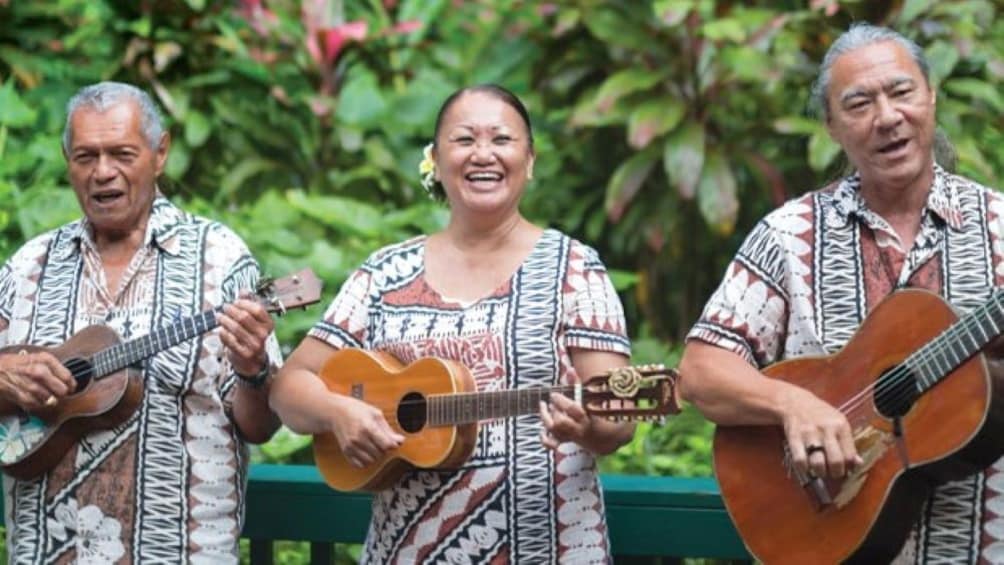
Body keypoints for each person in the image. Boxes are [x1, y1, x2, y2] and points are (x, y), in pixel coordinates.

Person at [679, 23, 1004, 563]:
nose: (887, 117)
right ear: (831, 125)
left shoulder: (999, 226)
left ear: (931, 96)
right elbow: (701, 373)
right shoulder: (789, 235)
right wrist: (792, 403)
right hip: (829, 539)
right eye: (859, 103)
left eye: (901, 92)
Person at [270, 84, 634, 563]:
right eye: (464, 140)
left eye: (502, 140)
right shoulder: (385, 272)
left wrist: (589, 428)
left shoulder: (574, 269)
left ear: (530, 161)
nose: (483, 154)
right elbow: (288, 387)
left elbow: (620, 414)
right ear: (436, 161)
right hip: (405, 551)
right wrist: (338, 414)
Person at [0, 81, 282, 563]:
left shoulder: (219, 258)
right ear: (68, 161)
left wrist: (254, 366)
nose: (103, 173)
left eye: (122, 154)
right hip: (46, 553)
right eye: (86, 156)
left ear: (160, 152)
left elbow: (260, 425)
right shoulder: (30, 265)